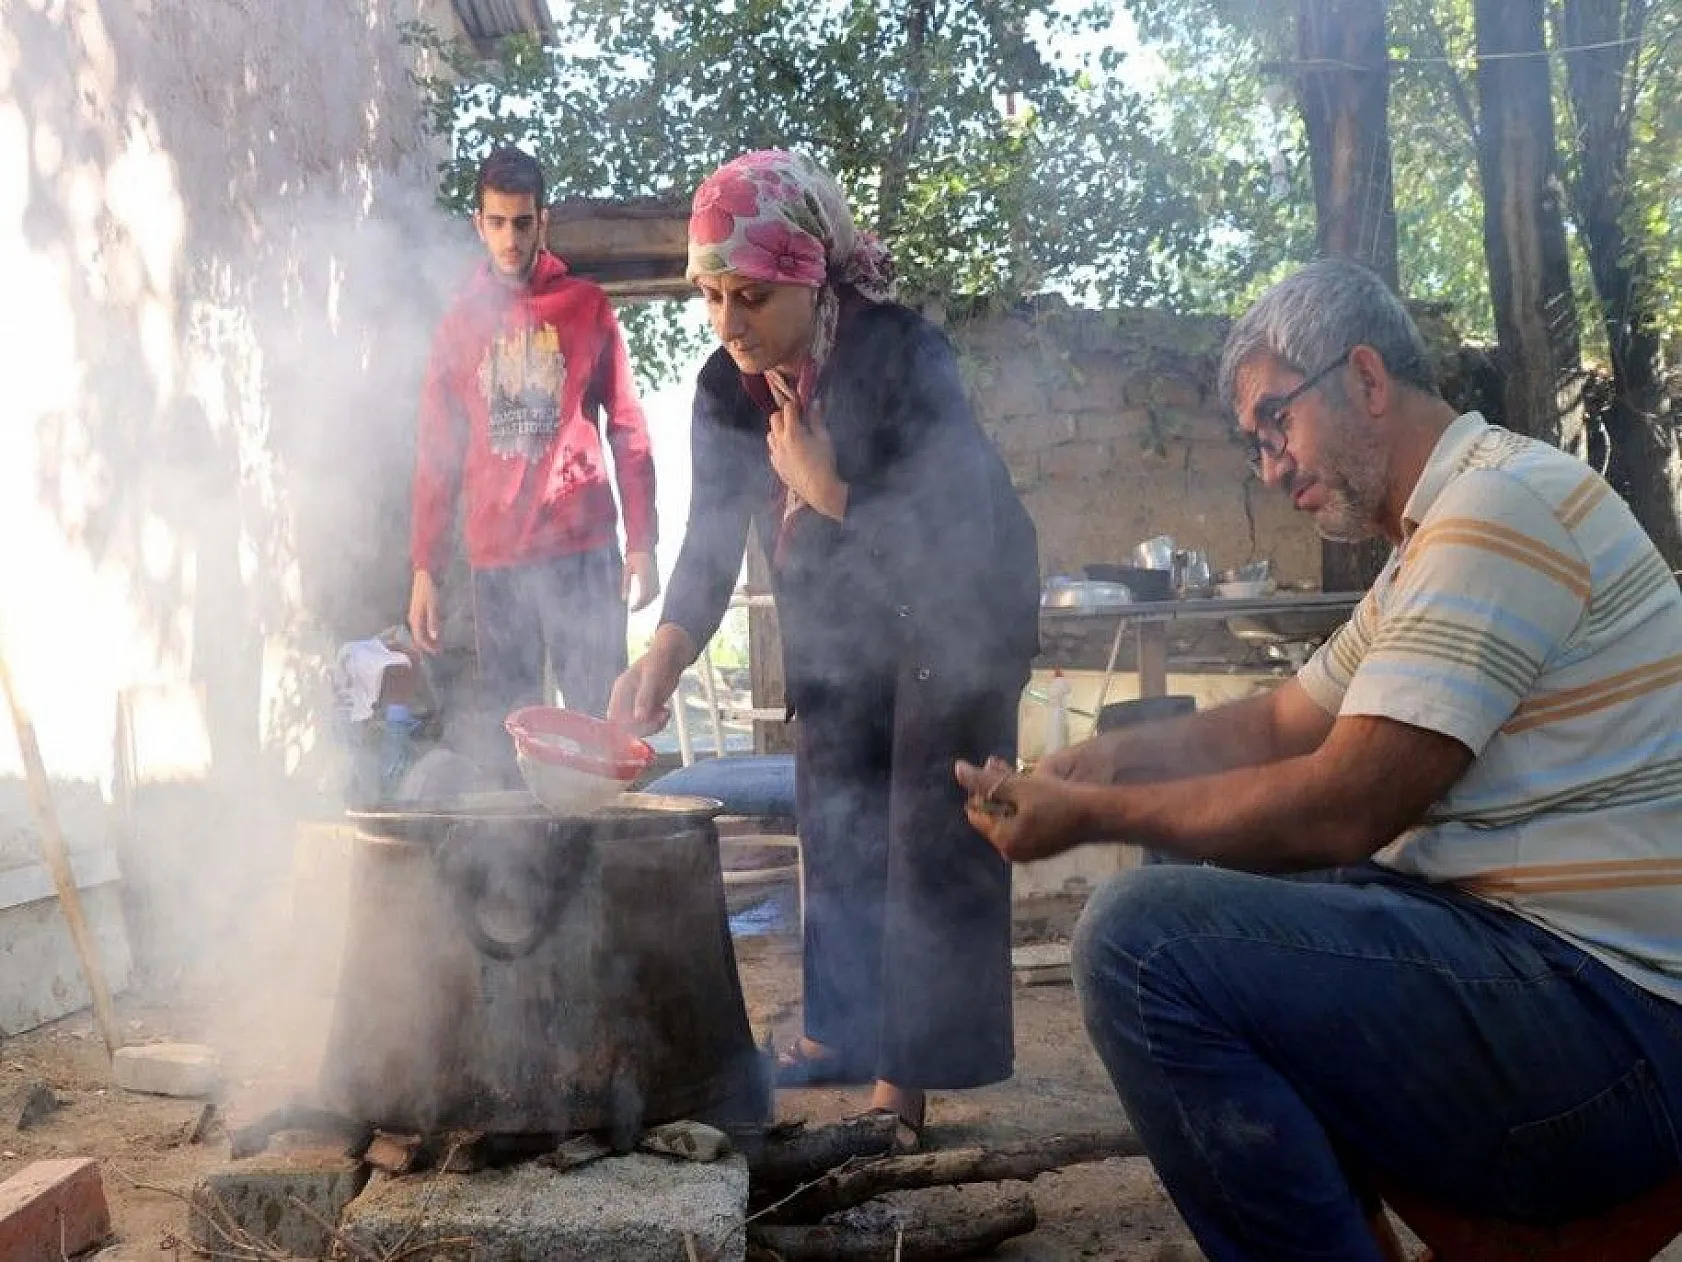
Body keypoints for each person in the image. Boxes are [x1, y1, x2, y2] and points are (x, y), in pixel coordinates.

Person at [957, 258, 1682, 1260]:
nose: (1267, 467)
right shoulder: (1425, 550)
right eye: (1254, 443)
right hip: (1542, 985)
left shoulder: (1497, 510)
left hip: (1613, 1040)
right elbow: (1272, 725)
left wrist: (1093, 818)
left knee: (1139, 939)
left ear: (1365, 378)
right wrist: (1093, 765)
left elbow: (1339, 807)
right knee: (1190, 868)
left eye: (1272, 424)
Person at [609, 149, 1041, 1138]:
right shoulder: (726, 389)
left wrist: (827, 488)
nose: (727, 322)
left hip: (954, 615)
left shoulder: (901, 354)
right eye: (710, 295)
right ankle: (838, 1032)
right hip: (840, 625)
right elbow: (710, 540)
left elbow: (959, 527)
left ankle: (900, 1086)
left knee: (920, 832)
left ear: (808, 272)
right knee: (835, 816)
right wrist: (665, 653)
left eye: (750, 294)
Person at [408, 145, 658, 773]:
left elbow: (627, 425)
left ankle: (609, 866)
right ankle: (526, 874)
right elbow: (436, 454)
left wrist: (643, 543)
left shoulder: (585, 306)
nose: (510, 239)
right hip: (497, 562)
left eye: (522, 222)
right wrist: (424, 568)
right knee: (511, 739)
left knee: (600, 728)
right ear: (479, 224)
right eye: (497, 223)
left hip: (582, 552)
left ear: (542, 221)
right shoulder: (458, 325)